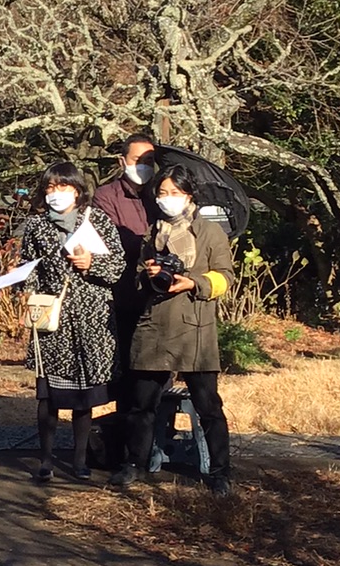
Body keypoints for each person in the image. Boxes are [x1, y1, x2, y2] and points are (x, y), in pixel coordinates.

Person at [119, 163, 236, 497]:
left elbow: (226, 276)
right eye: (162, 193)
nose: (167, 199)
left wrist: (193, 282)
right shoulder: (152, 233)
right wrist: (148, 274)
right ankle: (135, 463)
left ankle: (220, 471)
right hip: (154, 326)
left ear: (189, 195)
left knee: (208, 406)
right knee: (141, 404)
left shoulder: (211, 232)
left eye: (175, 192)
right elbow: (138, 278)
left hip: (194, 328)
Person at [19, 162, 123, 482]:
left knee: (83, 396)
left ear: (77, 191)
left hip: (91, 320)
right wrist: (27, 295)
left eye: (62, 187)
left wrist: (92, 263)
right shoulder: (36, 226)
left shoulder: (98, 221)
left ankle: (79, 460)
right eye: (50, 188)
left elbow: (118, 266)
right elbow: (28, 267)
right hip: (52, 320)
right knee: (48, 396)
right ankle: (46, 459)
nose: (56, 193)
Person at [92, 131, 159, 461]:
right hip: (122, 297)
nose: (143, 167)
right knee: (126, 375)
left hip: (159, 300)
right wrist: (151, 246)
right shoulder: (106, 196)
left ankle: (148, 444)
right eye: (137, 161)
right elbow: (112, 244)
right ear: (123, 161)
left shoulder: (162, 193)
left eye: (149, 161)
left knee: (153, 377)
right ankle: (123, 451)